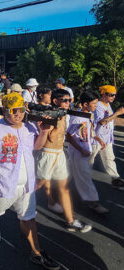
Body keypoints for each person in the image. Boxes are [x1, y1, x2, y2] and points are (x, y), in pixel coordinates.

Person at [0, 92, 60, 270]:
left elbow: (36, 147)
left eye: (21, 110)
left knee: (29, 218)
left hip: (26, 186)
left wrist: (44, 132)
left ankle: (36, 253)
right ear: (4, 110)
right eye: (13, 110)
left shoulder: (29, 126)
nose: (18, 114)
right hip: (3, 185)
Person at [35, 90, 92, 232]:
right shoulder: (51, 114)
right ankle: (18, 203)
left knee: (64, 188)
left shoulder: (63, 114)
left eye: (69, 100)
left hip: (59, 154)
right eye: (65, 100)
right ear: (55, 101)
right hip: (47, 154)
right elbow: (51, 137)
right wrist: (59, 124)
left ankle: (70, 221)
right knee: (36, 185)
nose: (68, 103)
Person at [67, 91, 109, 214]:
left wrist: (99, 139)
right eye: (94, 104)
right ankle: (94, 203)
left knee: (69, 174)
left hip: (85, 150)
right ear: (85, 104)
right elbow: (68, 136)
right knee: (85, 177)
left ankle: (58, 193)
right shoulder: (77, 118)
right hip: (79, 153)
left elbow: (90, 131)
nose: (96, 106)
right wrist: (81, 149)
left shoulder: (89, 115)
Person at [90, 85, 124, 190]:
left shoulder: (108, 105)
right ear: (103, 94)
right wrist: (118, 113)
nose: (113, 97)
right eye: (111, 95)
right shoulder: (99, 106)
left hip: (107, 138)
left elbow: (110, 121)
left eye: (114, 95)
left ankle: (115, 178)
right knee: (89, 160)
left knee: (109, 159)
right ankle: (80, 179)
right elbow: (102, 121)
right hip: (96, 138)